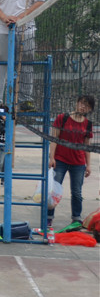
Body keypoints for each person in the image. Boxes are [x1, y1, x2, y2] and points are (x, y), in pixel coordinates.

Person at [47, 95, 94, 228]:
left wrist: (88, 165)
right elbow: (54, 139)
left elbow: (86, 146)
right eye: (82, 103)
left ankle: (76, 219)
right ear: (77, 103)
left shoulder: (88, 124)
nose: (83, 107)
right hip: (60, 160)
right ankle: (48, 218)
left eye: (87, 106)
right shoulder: (62, 118)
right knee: (54, 190)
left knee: (77, 192)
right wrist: (52, 158)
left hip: (78, 163)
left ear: (90, 109)